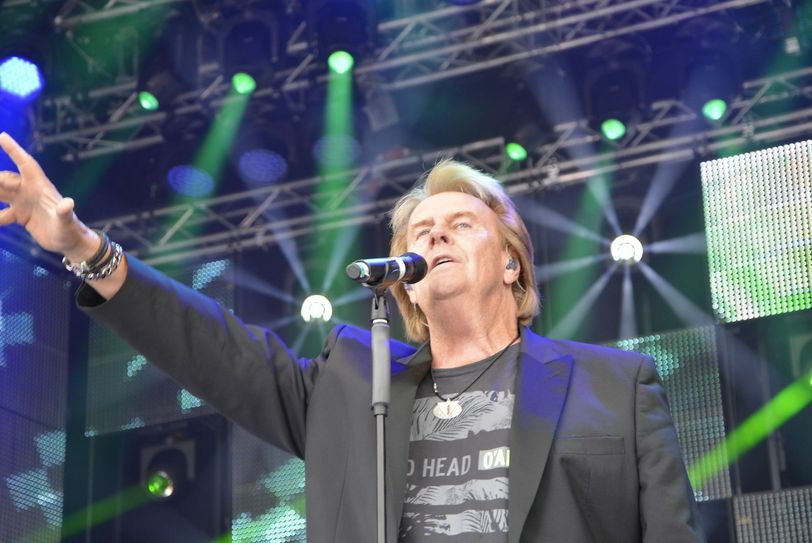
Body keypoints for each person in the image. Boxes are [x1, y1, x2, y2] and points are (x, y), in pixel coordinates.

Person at [0, 131, 703, 542]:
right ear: (405, 283)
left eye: (460, 225)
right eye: (421, 231)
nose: (435, 235)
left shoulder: (617, 384)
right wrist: (86, 249)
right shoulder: (350, 385)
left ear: (511, 262)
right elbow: (213, 347)